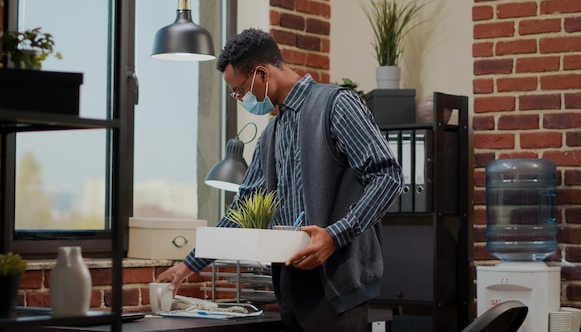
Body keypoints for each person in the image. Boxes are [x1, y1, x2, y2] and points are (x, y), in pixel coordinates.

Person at [156, 28, 403, 331]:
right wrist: (187, 266)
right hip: (291, 285)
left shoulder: (336, 105)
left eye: (239, 91)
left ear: (261, 73)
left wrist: (334, 235)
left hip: (337, 284)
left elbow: (388, 176)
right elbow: (243, 206)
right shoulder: (271, 134)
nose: (239, 99)